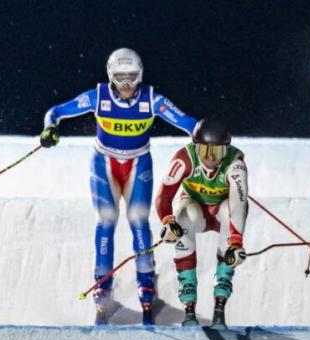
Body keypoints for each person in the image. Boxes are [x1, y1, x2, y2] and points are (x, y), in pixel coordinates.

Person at [40, 48, 197, 325]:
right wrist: (50, 128)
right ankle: (103, 286)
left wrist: (208, 137)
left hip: (138, 165)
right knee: (107, 220)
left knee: (138, 221)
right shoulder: (98, 97)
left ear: (141, 77)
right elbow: (56, 112)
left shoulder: (152, 100)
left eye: (132, 78)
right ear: (111, 76)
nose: (127, 85)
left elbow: (187, 123)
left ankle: (146, 284)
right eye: (121, 78)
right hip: (105, 164)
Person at [155, 117, 248, 329]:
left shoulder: (236, 165)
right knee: (185, 217)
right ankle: (188, 303)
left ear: (227, 150)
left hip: (222, 211)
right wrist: (168, 222)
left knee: (227, 212)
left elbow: (238, 207)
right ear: (195, 146)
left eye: (216, 153)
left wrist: (236, 242)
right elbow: (163, 196)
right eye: (204, 151)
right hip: (194, 207)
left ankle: (220, 303)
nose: (209, 159)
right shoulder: (184, 159)